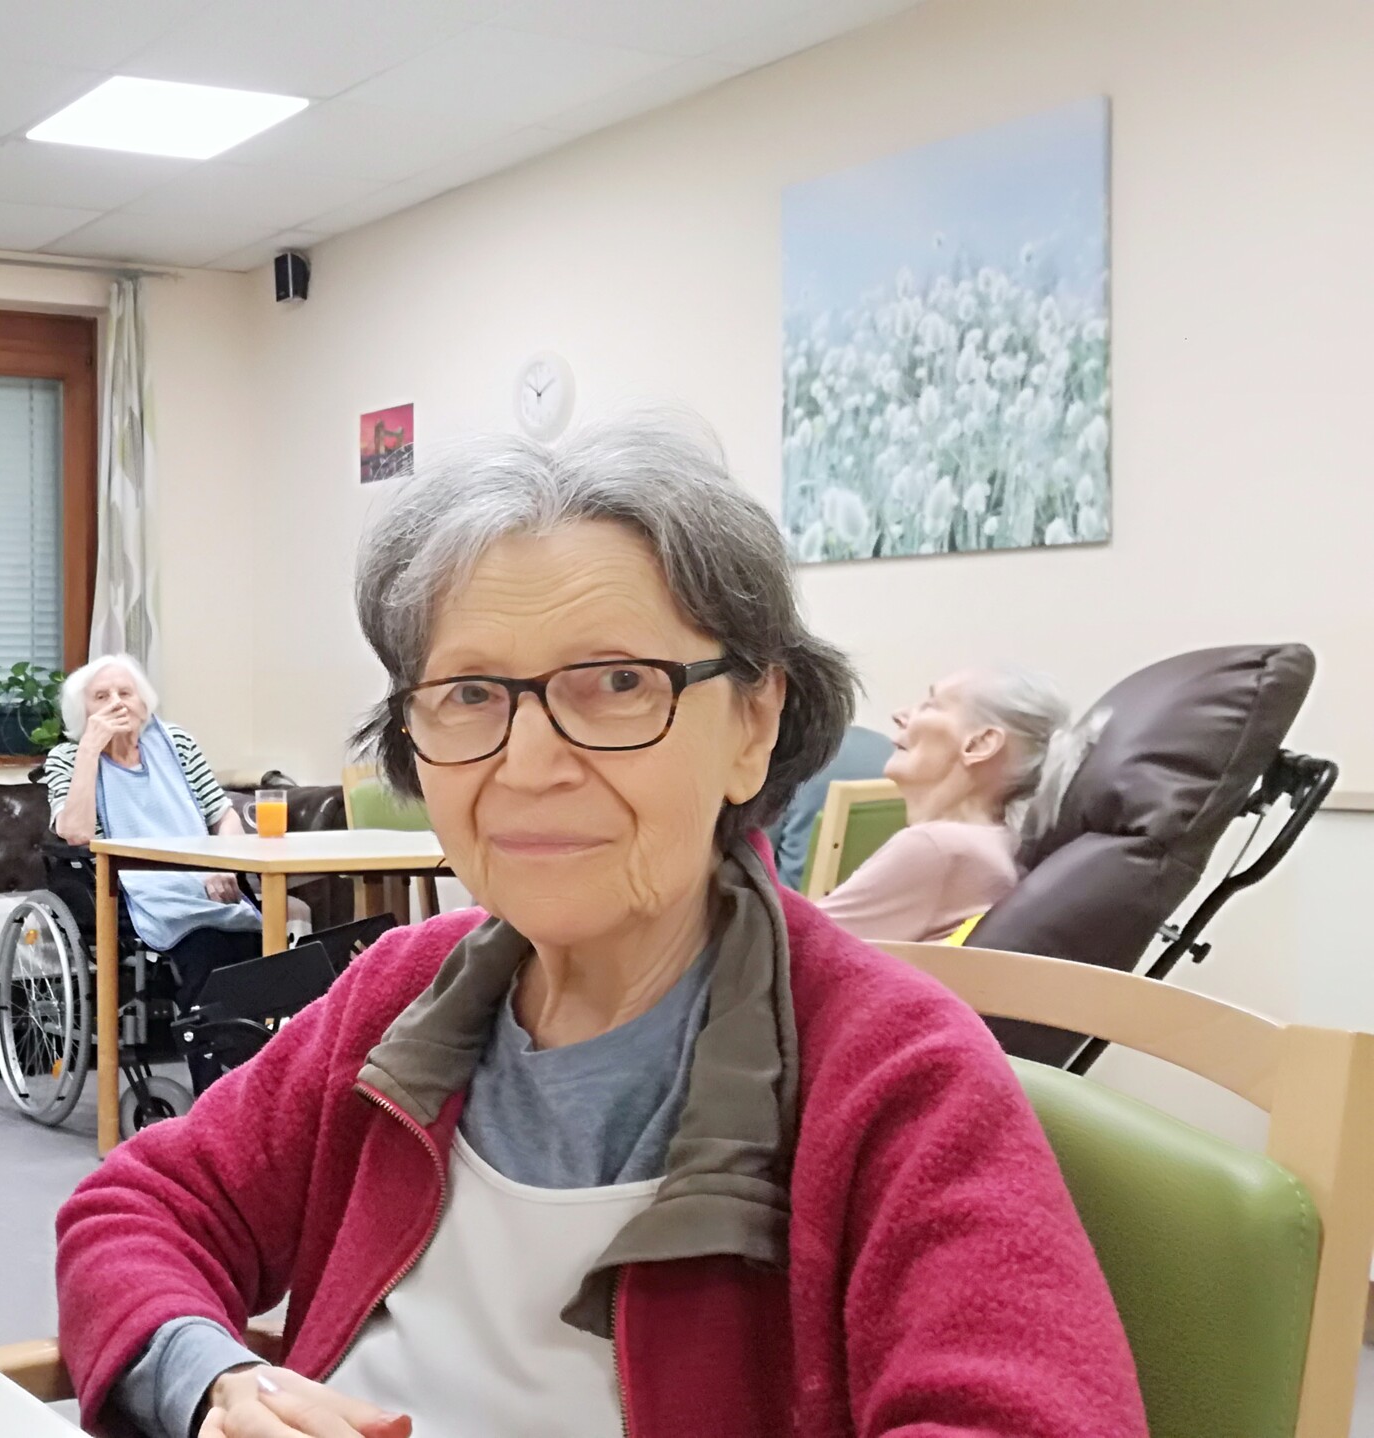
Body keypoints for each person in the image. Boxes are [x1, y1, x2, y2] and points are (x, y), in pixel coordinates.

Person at [56, 414, 1142, 1438]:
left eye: (618, 682)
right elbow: (136, 1207)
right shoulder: (402, 994)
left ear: (751, 726)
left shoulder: (896, 1074)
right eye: (470, 694)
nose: (527, 766)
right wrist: (212, 1377)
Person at [42, 655, 258, 1090]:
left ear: (145, 701)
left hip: (206, 878)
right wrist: (90, 749)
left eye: (126, 692)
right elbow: (76, 831)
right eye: (101, 697)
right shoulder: (67, 758)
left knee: (267, 954)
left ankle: (265, 1084)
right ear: (82, 713)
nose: (116, 703)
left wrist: (223, 861)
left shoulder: (176, 742)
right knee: (206, 953)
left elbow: (223, 815)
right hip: (139, 889)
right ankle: (217, 1097)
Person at [817, 667, 1069, 943]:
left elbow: (787, 948)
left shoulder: (938, 848)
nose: (900, 715)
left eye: (930, 705)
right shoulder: (994, 843)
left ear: (980, 744)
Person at [770, 723, 892, 888]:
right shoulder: (888, 750)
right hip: (873, 903)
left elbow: (753, 859)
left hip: (789, 906)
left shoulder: (784, 758)